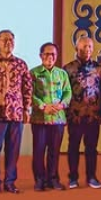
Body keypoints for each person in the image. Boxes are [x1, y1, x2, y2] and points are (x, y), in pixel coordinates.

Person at [0, 30, 32, 193]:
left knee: (13, 150)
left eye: (11, 39)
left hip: (16, 113)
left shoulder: (21, 64)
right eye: (5, 40)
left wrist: (27, 108)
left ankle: (10, 181)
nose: (8, 42)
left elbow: (27, 87)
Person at [63, 36, 101, 189]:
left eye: (89, 47)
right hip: (75, 115)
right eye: (83, 47)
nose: (87, 50)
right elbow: (64, 92)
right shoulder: (67, 69)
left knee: (91, 148)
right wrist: (65, 114)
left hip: (93, 116)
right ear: (77, 49)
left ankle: (92, 177)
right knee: (73, 147)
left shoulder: (100, 69)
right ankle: (73, 178)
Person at [30, 42, 72, 191]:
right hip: (40, 119)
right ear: (41, 56)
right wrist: (43, 106)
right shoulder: (33, 73)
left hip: (58, 118)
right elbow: (30, 94)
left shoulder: (62, 73)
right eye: (47, 54)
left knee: (54, 151)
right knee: (39, 151)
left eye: (53, 54)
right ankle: (39, 180)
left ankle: (53, 179)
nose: (50, 57)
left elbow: (68, 92)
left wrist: (62, 104)